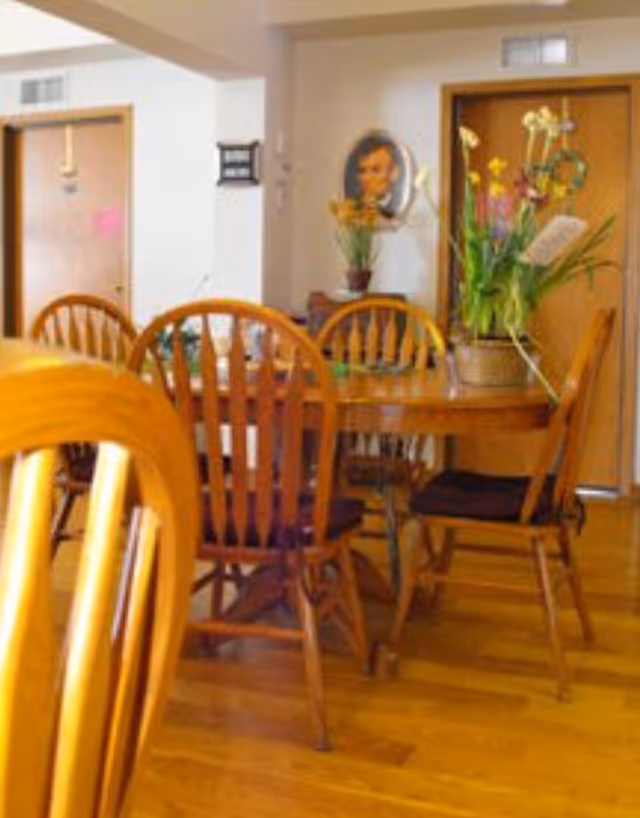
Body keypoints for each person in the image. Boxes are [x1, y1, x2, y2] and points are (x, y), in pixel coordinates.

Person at [345, 134, 405, 219]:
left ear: (393, 173)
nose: (367, 178)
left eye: (375, 170)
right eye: (362, 171)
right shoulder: (353, 209)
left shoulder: (398, 207)